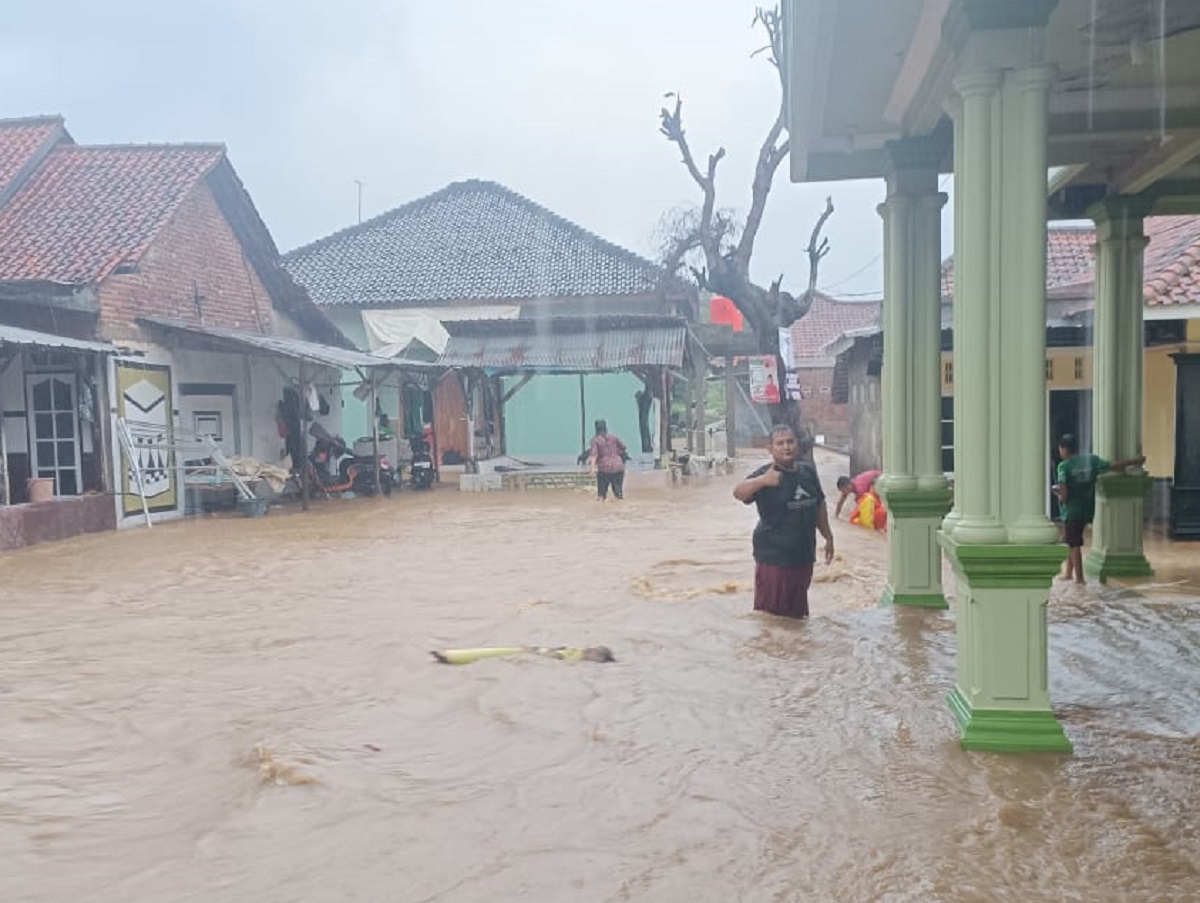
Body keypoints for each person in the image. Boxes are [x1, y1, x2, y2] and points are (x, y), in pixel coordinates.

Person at [733, 424, 835, 619]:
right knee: (771, 619)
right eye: (780, 443)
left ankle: (796, 649)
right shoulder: (765, 475)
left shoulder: (807, 472)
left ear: (797, 445)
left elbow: (819, 505)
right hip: (774, 559)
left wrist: (828, 536)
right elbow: (738, 493)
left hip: (804, 556)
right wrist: (762, 481)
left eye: (790, 441)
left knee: (798, 618)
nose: (786, 447)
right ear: (770, 449)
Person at [1055, 433, 1144, 584]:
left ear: (1063, 449)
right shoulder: (1091, 460)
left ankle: (1080, 579)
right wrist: (1136, 461)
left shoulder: (1063, 466)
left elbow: (1064, 493)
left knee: (1074, 544)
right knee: (1070, 540)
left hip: (1072, 510)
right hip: (1087, 508)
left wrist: (1058, 495)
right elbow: (1114, 465)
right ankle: (1069, 573)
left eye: (1060, 449)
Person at [588, 419, 628, 501]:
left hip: (604, 469)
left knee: (601, 496)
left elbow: (593, 455)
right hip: (618, 467)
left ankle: (601, 512)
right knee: (618, 494)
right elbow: (624, 447)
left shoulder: (595, 441)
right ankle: (623, 511)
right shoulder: (614, 437)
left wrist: (592, 468)